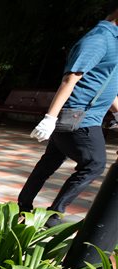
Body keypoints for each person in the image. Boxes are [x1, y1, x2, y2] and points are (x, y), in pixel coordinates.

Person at [17, 5, 118, 226]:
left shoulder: (113, 41)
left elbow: (105, 85)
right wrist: (50, 118)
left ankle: (23, 208)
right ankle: (53, 215)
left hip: (83, 116)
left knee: (49, 162)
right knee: (95, 163)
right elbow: (70, 78)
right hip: (78, 116)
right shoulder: (100, 39)